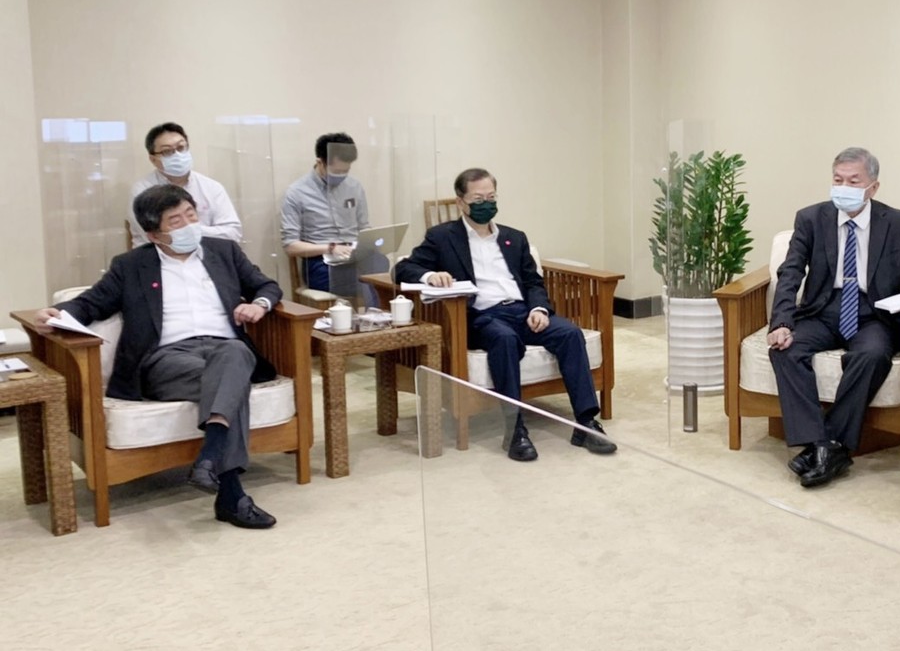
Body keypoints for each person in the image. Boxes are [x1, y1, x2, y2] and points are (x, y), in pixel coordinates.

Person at [35, 184, 283, 529]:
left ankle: (220, 475)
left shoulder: (223, 251)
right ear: (153, 234)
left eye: (191, 215)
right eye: (176, 221)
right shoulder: (130, 265)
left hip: (225, 350)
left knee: (234, 354)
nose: (189, 225)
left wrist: (259, 305)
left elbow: (267, 285)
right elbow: (92, 304)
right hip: (166, 360)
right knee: (232, 377)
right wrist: (58, 313)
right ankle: (222, 479)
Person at [767, 147, 900, 488]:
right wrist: (782, 322)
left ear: (873, 187)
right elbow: (790, 273)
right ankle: (822, 444)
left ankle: (828, 445)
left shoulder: (899, 223)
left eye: (853, 181)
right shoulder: (811, 218)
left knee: (873, 355)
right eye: (838, 180)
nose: (843, 187)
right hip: (823, 310)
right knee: (785, 350)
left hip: (873, 313)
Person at [394, 167, 616, 461]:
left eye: (491, 197)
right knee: (505, 339)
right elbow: (403, 268)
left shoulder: (514, 237)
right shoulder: (442, 237)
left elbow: (533, 282)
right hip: (481, 316)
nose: (486, 204)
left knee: (569, 333)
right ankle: (515, 430)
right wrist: (430, 275)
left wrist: (538, 308)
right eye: (478, 199)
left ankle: (586, 423)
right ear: (461, 202)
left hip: (522, 312)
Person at [280, 132, 386, 306]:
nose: (341, 176)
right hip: (321, 262)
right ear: (320, 163)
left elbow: (364, 227)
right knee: (366, 279)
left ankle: (375, 315)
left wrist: (372, 241)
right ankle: (372, 314)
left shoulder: (354, 187)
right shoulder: (296, 193)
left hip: (355, 255)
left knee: (382, 265)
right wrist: (330, 248)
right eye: (336, 171)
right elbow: (290, 246)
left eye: (346, 171)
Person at [128, 122, 242, 247]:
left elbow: (233, 233)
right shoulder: (142, 191)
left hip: (209, 253)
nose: (177, 155)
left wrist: (192, 231)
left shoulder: (212, 187)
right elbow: (155, 237)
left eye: (181, 147)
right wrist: (197, 232)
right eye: (167, 151)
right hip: (157, 255)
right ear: (153, 159)